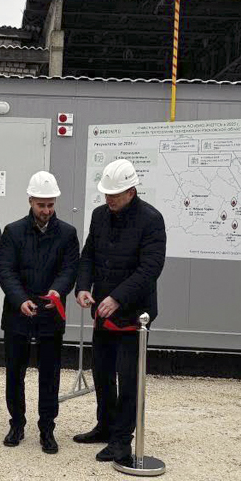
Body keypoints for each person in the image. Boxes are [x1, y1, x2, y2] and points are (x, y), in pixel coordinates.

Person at [74, 159, 166, 464]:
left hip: (133, 314)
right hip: (103, 312)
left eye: (115, 194)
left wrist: (117, 298)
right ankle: (105, 425)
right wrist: (83, 286)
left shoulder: (151, 220)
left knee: (128, 378)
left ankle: (122, 440)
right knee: (102, 372)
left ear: (131, 191)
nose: (109, 199)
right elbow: (89, 255)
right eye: (106, 194)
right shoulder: (99, 216)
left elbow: (150, 268)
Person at [0, 171, 79, 453]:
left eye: (50, 205)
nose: (46, 210)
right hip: (17, 312)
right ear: (30, 201)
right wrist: (19, 299)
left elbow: (70, 268)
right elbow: (5, 269)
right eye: (41, 205)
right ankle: (16, 424)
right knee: (14, 372)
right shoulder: (13, 231)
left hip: (50, 311)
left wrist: (57, 291)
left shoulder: (67, 233)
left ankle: (47, 428)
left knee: (50, 374)